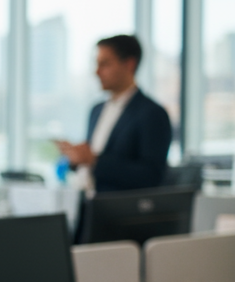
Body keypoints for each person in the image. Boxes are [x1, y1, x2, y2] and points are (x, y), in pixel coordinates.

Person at [54, 34, 172, 194]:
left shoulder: (152, 113)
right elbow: (90, 163)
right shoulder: (96, 110)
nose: (97, 72)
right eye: (97, 64)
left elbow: (151, 176)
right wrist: (76, 158)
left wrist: (94, 160)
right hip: (86, 206)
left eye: (105, 64)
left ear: (129, 64)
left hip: (119, 212)